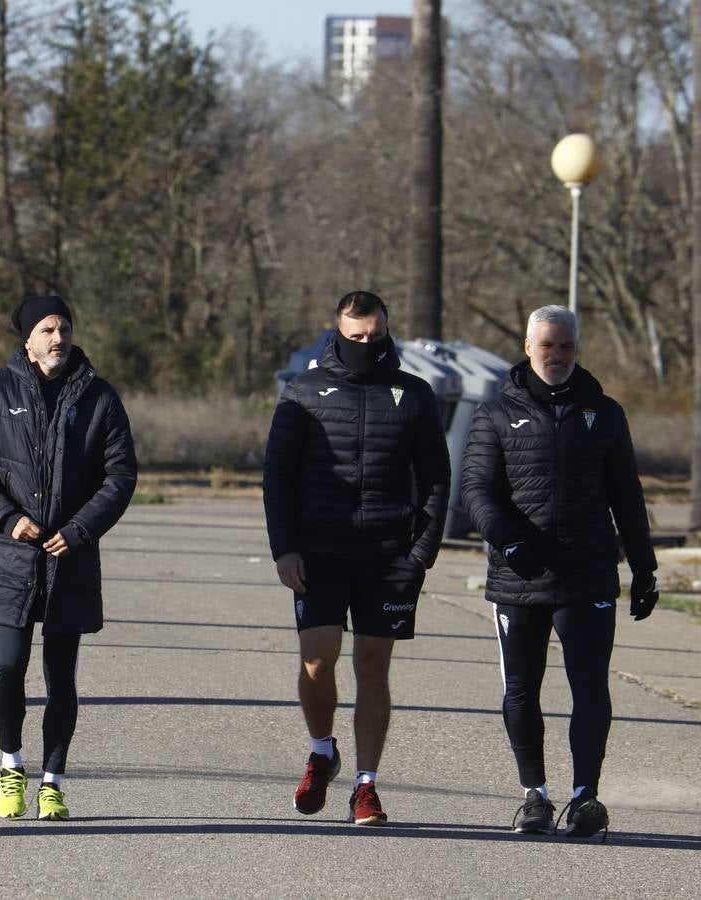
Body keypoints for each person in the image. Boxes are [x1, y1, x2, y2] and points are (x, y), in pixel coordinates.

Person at [461, 304, 656, 839]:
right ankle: (535, 797)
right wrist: (509, 541)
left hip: (587, 574)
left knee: (589, 686)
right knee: (521, 689)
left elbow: (627, 495)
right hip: (518, 575)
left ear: (577, 348)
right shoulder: (495, 413)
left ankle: (585, 797)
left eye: (566, 345)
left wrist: (645, 567)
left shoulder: (605, 413)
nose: (557, 355)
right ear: (528, 347)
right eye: (547, 345)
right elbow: (476, 490)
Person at [263, 290, 450, 826]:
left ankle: (366, 786)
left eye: (376, 336)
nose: (367, 345)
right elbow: (277, 476)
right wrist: (284, 548)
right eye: (356, 337)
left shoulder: (414, 394)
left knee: (373, 665)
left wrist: (421, 551)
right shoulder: (304, 392)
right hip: (319, 551)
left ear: (387, 331)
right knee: (317, 661)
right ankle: (322, 751)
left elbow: (437, 478)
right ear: (338, 333)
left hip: (388, 554)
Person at [0, 294, 137, 821]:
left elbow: (120, 474)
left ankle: (53, 782)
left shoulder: (100, 397)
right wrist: (8, 519)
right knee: (9, 667)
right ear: (28, 339)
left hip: (70, 559)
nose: (59, 338)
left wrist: (80, 530)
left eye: (65, 329)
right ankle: (11, 766)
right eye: (48, 330)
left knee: (61, 678)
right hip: (8, 557)